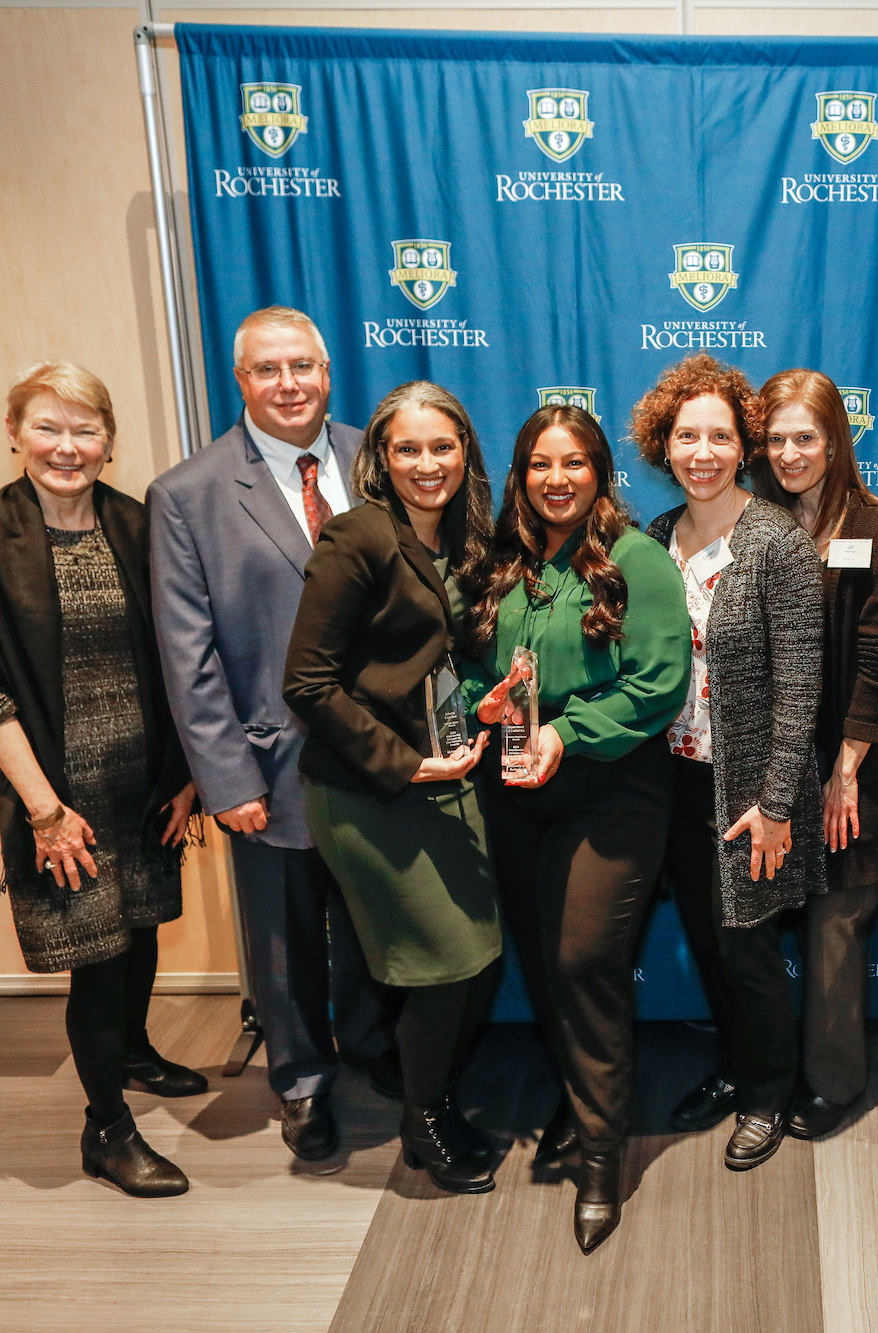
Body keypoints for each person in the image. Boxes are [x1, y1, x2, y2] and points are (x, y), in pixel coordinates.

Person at [0, 362, 200, 1197]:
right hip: (61, 791)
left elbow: (184, 655)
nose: (67, 447)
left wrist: (186, 773)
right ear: (15, 433)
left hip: (142, 780)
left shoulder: (139, 522)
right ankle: (106, 1130)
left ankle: (132, 1048)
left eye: (85, 430)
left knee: (143, 924)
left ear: (109, 442)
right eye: (48, 427)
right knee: (98, 954)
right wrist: (44, 809)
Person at [149, 306, 401, 1164]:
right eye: (268, 370)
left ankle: (370, 1045)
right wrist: (227, 780)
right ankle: (300, 1082)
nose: (288, 385)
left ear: (328, 372)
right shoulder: (187, 495)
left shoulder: (383, 458)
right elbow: (188, 657)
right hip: (270, 762)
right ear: (241, 381)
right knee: (284, 937)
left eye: (302, 366)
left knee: (372, 915)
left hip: (379, 753)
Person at [464, 404, 690, 1253]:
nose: (555, 479)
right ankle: (575, 1097)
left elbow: (659, 683)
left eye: (574, 463)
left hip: (610, 787)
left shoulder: (636, 561)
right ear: (521, 475)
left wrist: (568, 730)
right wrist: (485, 704)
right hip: (518, 785)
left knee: (582, 959)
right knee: (542, 960)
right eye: (538, 464)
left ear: (600, 471)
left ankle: (601, 1160)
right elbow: (469, 660)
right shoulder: (501, 561)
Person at [281, 381, 505, 1195]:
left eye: (441, 446)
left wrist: (474, 707)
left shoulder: (459, 538)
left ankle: (430, 1098)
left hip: (445, 778)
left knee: (473, 957)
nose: (426, 463)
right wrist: (404, 761)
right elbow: (306, 682)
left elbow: (421, 661)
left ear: (465, 452)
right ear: (378, 457)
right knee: (443, 962)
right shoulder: (357, 536)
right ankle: (426, 1125)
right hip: (370, 793)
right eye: (406, 448)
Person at [638, 353, 826, 1171]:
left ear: (742, 444)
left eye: (719, 435)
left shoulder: (776, 540)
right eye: (687, 435)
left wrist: (779, 801)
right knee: (709, 944)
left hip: (750, 792)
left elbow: (800, 683)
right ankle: (732, 1069)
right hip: (674, 783)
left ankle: (767, 1093)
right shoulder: (652, 539)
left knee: (749, 949)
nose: (703, 451)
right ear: (663, 444)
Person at [749, 369, 878, 1141]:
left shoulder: (875, 525)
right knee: (754, 922)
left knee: (836, 927)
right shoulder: (751, 518)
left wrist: (845, 768)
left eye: (804, 438)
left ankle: (836, 1079)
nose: (789, 453)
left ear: (835, 440)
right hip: (769, 757)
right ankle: (761, 1068)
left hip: (853, 759)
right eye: (776, 439)